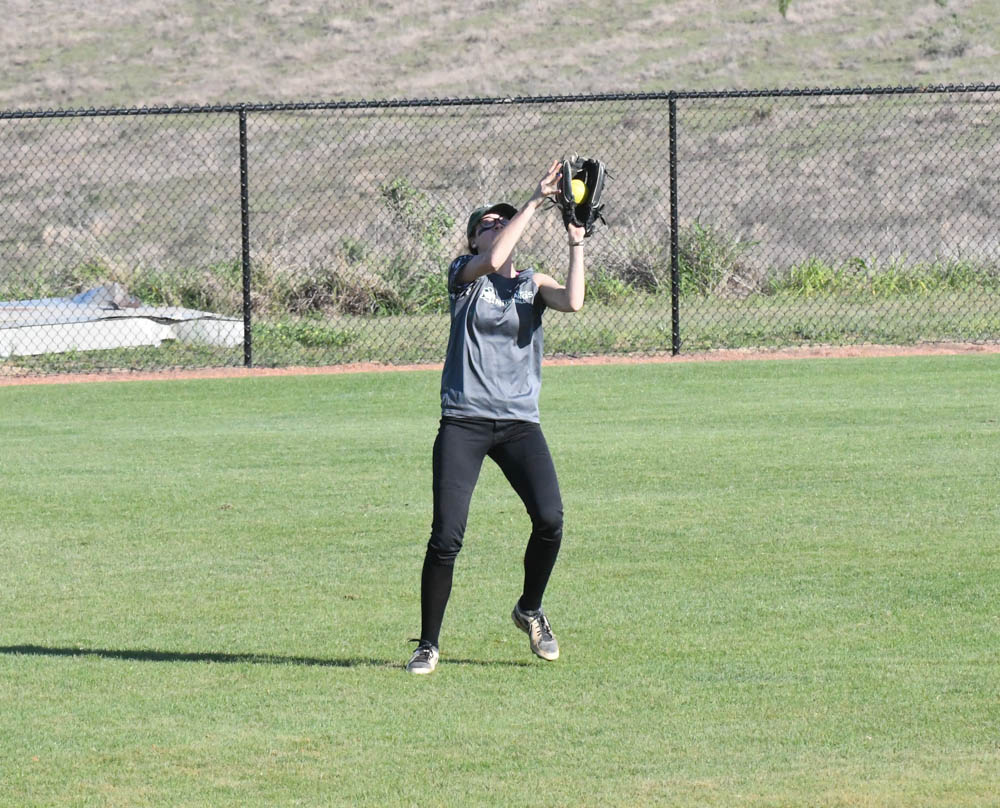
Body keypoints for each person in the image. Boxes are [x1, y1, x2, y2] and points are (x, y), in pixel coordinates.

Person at [406, 159, 588, 674]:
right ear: (474, 240)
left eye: (503, 220)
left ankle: (529, 609)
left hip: (518, 425)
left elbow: (573, 302)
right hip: (463, 423)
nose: (499, 225)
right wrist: (532, 202)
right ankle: (428, 643)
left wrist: (576, 239)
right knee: (447, 534)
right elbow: (495, 258)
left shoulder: (531, 284)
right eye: (489, 222)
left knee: (550, 520)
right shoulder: (463, 279)